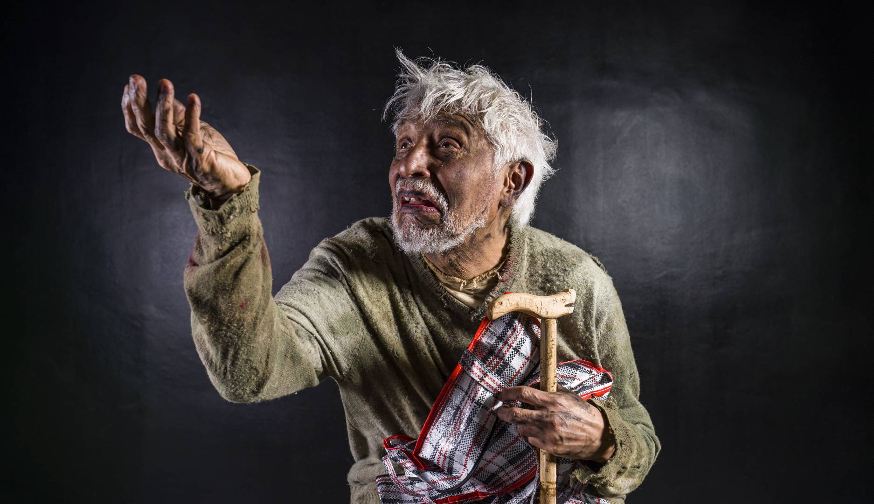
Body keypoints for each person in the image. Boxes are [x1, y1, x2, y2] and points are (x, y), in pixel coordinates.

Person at [120, 50, 660, 503]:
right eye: (404, 144)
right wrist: (227, 202)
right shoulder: (357, 266)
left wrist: (601, 437)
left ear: (511, 181)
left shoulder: (574, 279)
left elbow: (639, 436)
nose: (409, 166)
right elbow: (248, 372)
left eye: (446, 146)